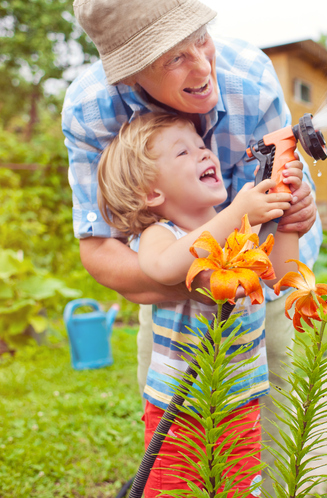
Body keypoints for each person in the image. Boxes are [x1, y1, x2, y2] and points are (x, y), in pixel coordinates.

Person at [63, 0, 322, 493]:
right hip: (180, 388)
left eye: (202, 39)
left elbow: (280, 275)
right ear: (132, 72)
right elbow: (143, 260)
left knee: (254, 476)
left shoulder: (251, 79)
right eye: (172, 58)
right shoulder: (161, 226)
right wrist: (231, 224)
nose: (205, 68)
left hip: (243, 388)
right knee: (176, 479)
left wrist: (291, 218)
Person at [96, 112, 300, 496]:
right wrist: (238, 214)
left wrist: (286, 219)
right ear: (153, 193)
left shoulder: (242, 230)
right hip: (180, 410)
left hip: (240, 404)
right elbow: (162, 267)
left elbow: (279, 274)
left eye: (203, 146)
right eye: (184, 152)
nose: (205, 153)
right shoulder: (160, 234)